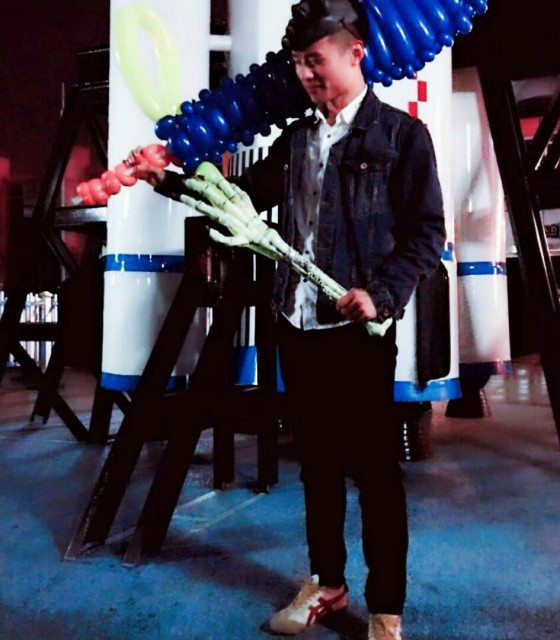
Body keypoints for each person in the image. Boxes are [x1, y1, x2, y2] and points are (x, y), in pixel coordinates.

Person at [131, 1, 445, 637]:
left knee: (376, 476)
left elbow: (426, 235)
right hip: (297, 329)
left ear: (356, 53)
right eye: (298, 62)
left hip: (358, 336)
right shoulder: (297, 141)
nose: (304, 74)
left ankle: (386, 611)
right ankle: (328, 585)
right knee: (318, 468)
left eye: (315, 60)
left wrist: (380, 294)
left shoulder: (401, 137)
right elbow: (235, 202)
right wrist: (166, 177)